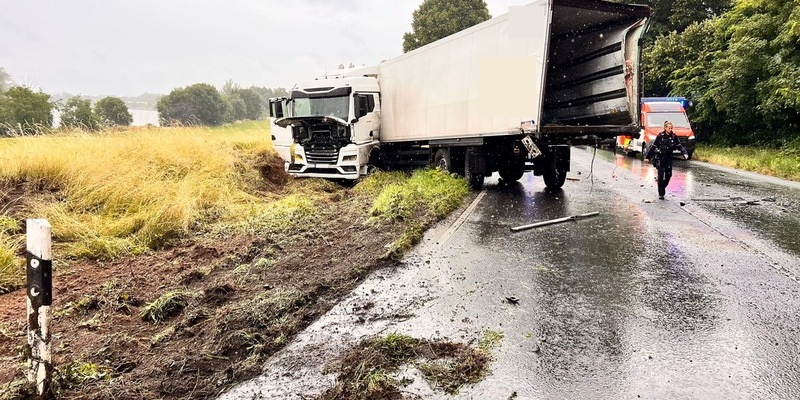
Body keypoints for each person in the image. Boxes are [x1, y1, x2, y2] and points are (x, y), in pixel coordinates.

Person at [645, 121, 688, 199]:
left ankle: (663, 186)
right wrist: (647, 157)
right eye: (669, 128)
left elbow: (679, 146)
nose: (670, 130)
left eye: (671, 128)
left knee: (668, 175)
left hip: (668, 157)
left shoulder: (674, 136)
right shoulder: (660, 136)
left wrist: (685, 153)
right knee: (660, 175)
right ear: (665, 128)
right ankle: (661, 193)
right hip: (660, 158)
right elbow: (654, 146)